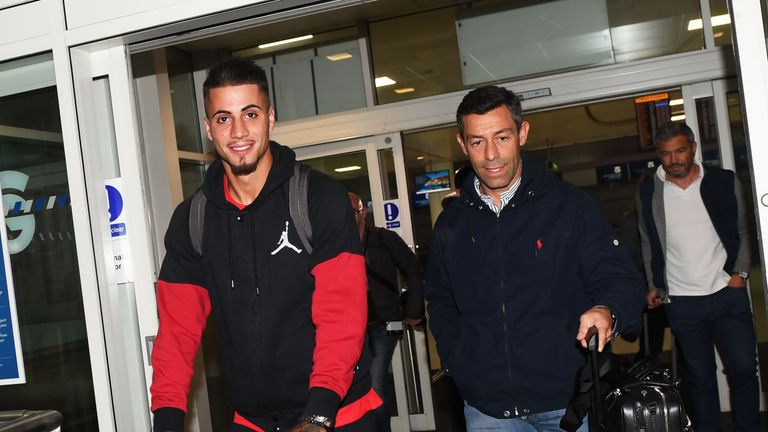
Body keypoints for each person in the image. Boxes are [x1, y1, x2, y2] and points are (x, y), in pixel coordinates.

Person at [150, 58, 380, 432]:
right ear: (209, 128)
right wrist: (167, 421)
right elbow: (176, 335)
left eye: (250, 114)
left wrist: (318, 414)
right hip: (253, 421)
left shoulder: (318, 199)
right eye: (223, 118)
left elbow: (342, 316)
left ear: (270, 118)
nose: (238, 131)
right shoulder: (193, 220)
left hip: (338, 414)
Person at [424, 85, 645, 432]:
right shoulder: (451, 224)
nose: (491, 154)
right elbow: (440, 299)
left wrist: (607, 310)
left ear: (522, 133)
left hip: (567, 404)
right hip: (487, 410)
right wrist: (457, 361)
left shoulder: (569, 206)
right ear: (462, 144)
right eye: (478, 142)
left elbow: (620, 280)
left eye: (502, 137)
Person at [636, 122, 758, 432]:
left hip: (727, 293)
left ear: (693, 148)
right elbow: (647, 240)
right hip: (682, 302)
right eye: (665, 154)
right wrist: (655, 284)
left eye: (679, 151)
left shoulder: (724, 181)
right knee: (701, 378)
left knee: (744, 370)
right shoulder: (649, 190)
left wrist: (740, 272)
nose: (673, 159)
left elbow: (745, 230)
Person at [347, 192, 424, 432]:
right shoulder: (335, 244)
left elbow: (413, 270)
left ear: (363, 213)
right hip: (351, 326)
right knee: (358, 386)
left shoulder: (384, 238)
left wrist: (414, 310)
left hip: (385, 322)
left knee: (376, 383)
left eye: (352, 212)